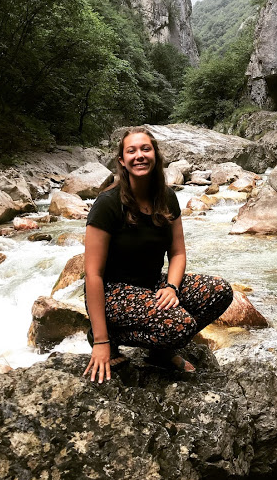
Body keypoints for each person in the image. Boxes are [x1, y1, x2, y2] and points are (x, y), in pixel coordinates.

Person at [83, 126, 233, 383]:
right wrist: (100, 341)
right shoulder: (108, 203)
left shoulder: (167, 197)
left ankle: (159, 351)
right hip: (111, 293)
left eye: (145, 149)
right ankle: (111, 335)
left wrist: (171, 287)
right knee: (181, 325)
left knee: (220, 291)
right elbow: (92, 274)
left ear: (155, 155)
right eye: (131, 151)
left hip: (151, 284)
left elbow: (177, 253)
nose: (139, 155)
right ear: (122, 161)